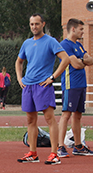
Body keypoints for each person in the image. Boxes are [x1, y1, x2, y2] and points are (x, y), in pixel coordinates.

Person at [15, 13, 70, 165]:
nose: (34, 27)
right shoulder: (26, 43)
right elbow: (18, 62)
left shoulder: (51, 41)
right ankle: (33, 153)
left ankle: (54, 153)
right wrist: (20, 79)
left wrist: (53, 77)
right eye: (32, 24)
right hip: (28, 86)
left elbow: (65, 59)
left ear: (43, 24)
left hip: (43, 85)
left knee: (49, 119)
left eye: (37, 24)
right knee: (30, 120)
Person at [57, 18, 93, 157]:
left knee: (78, 115)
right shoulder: (64, 45)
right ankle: (60, 146)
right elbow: (76, 65)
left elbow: (90, 60)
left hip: (81, 85)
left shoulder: (78, 45)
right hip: (70, 85)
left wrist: (81, 60)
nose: (83, 32)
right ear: (73, 29)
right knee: (66, 114)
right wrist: (82, 61)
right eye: (81, 29)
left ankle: (78, 146)